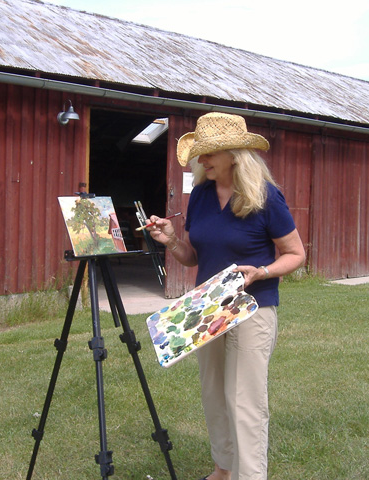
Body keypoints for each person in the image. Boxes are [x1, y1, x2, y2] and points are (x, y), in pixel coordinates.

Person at [147, 112, 306, 480]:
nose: (201, 161)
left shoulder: (265, 196)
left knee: (245, 401)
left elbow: (296, 254)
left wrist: (262, 272)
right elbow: (195, 257)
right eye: (200, 154)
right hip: (209, 310)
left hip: (253, 310)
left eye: (208, 154)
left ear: (235, 154)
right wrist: (172, 240)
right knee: (215, 396)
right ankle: (224, 468)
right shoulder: (202, 195)